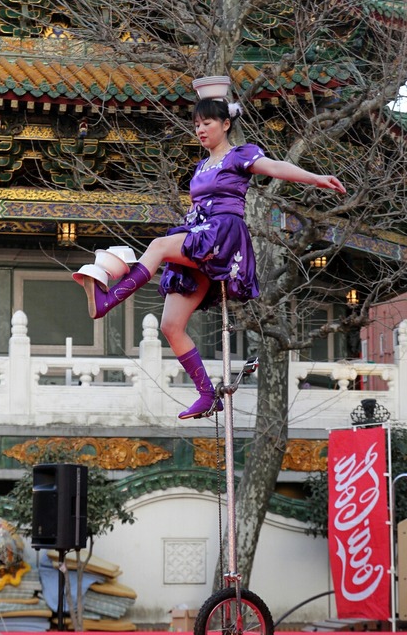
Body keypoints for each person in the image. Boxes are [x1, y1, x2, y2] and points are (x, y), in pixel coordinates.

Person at [73, 94, 346, 420]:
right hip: (198, 235)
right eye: (197, 125)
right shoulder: (202, 165)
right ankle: (207, 395)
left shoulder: (238, 156)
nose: (201, 130)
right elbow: (196, 206)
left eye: (207, 123)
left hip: (222, 236)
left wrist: (315, 178)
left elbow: (274, 167)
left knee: (159, 246)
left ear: (226, 124)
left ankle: (106, 301)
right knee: (171, 326)